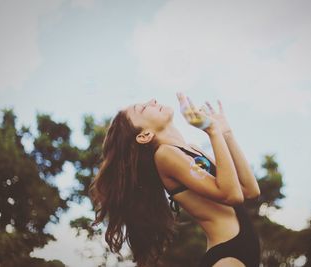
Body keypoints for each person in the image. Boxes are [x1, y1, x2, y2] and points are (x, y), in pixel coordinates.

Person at [89, 92, 261, 267]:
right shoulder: (164, 154)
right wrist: (212, 130)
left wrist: (226, 133)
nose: (153, 100)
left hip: (242, 250)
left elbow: (249, 190)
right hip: (227, 255)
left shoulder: (191, 149)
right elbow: (232, 195)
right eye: (142, 108)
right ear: (144, 135)